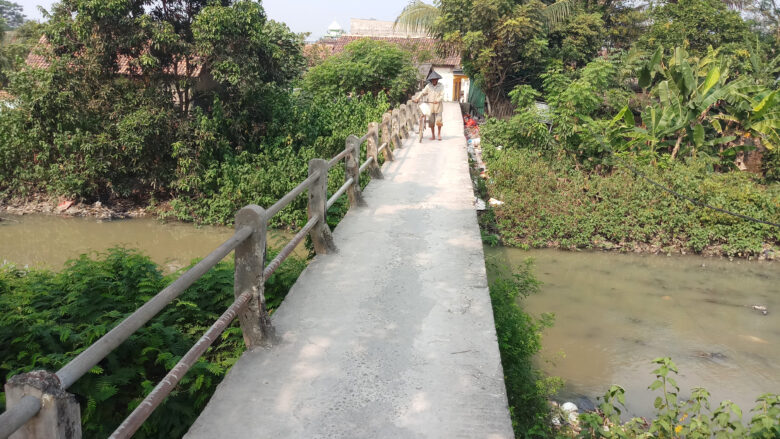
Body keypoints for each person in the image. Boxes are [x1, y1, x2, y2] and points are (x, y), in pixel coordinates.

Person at [413, 71, 445, 141]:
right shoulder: (428, 86)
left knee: (439, 121)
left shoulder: (441, 86)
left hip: (438, 107)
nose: (434, 80)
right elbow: (422, 92)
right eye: (432, 79)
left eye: (435, 79)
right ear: (431, 80)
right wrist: (417, 98)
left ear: (437, 79)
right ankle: (433, 135)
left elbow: (442, 95)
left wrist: (438, 100)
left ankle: (439, 134)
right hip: (430, 107)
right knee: (431, 122)